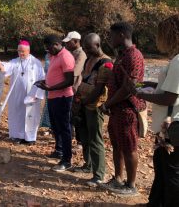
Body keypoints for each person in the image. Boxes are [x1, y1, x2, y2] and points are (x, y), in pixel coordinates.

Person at [129, 15, 179, 206]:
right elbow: (167, 87)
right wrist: (144, 84)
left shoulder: (178, 61)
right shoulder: (175, 60)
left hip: (172, 125)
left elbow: (169, 97)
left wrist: (139, 94)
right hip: (168, 125)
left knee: (171, 170)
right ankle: (157, 201)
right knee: (162, 166)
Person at [100, 22, 146, 195]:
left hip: (127, 110)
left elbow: (129, 89)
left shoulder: (134, 55)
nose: (109, 39)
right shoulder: (122, 55)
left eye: (111, 35)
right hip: (116, 110)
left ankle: (131, 185)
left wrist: (107, 104)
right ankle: (118, 179)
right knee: (117, 145)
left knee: (129, 147)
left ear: (121, 35)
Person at [73, 33, 113, 187]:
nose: (87, 51)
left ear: (98, 45)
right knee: (84, 137)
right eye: (85, 48)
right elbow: (82, 79)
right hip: (83, 103)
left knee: (95, 140)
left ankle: (99, 174)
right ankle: (88, 165)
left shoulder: (106, 63)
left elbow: (98, 89)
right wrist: (78, 99)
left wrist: (84, 101)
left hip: (94, 106)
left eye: (89, 48)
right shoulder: (89, 59)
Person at [38, 34, 74, 171]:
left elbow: (69, 81)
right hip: (53, 96)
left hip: (63, 98)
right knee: (56, 127)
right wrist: (45, 83)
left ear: (56, 44)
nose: (48, 51)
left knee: (64, 129)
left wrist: (51, 87)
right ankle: (59, 150)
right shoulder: (54, 56)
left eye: (49, 48)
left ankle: (67, 160)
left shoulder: (66, 56)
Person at [3, 40, 45, 144]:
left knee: (31, 115)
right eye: (19, 51)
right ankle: (17, 136)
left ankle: (30, 138)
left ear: (28, 51)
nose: (21, 53)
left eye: (23, 51)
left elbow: (42, 79)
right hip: (17, 95)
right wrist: (1, 66)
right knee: (17, 114)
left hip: (31, 95)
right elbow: (7, 66)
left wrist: (37, 94)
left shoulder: (36, 63)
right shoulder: (15, 61)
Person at [63, 31, 87, 145]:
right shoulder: (72, 53)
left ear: (76, 42)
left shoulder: (81, 54)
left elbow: (74, 72)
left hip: (76, 88)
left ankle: (80, 141)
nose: (67, 45)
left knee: (77, 115)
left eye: (69, 42)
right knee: (71, 113)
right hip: (70, 88)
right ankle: (71, 136)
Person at [40, 53, 51, 128]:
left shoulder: (62, 55)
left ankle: (53, 125)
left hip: (57, 85)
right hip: (47, 83)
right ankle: (47, 124)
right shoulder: (47, 55)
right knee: (48, 103)